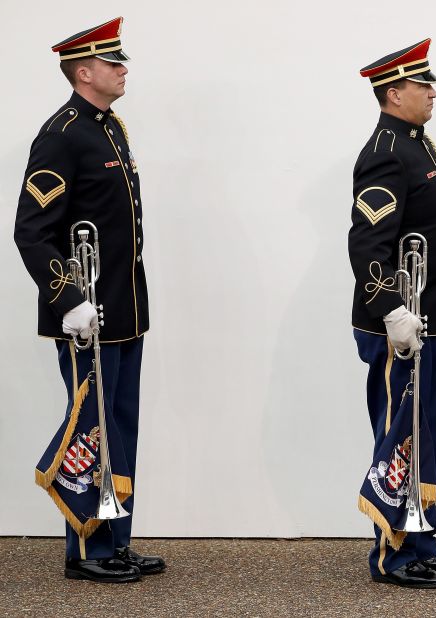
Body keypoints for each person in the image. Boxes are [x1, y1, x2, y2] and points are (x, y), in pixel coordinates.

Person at [14, 16, 164, 583]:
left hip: (123, 310)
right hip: (86, 314)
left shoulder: (110, 128)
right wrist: (68, 299)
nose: (122, 69)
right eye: (112, 62)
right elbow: (32, 230)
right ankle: (87, 551)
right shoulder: (61, 135)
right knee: (92, 424)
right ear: (84, 71)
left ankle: (113, 540)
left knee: (120, 425)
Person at [350, 38, 436, 589]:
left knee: (425, 430)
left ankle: (420, 540)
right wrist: (391, 309)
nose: (432, 92)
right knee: (399, 431)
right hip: (400, 323)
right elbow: (368, 244)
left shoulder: (417, 144)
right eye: (423, 85)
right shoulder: (386, 151)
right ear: (393, 92)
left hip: (434, 318)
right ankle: (391, 555)